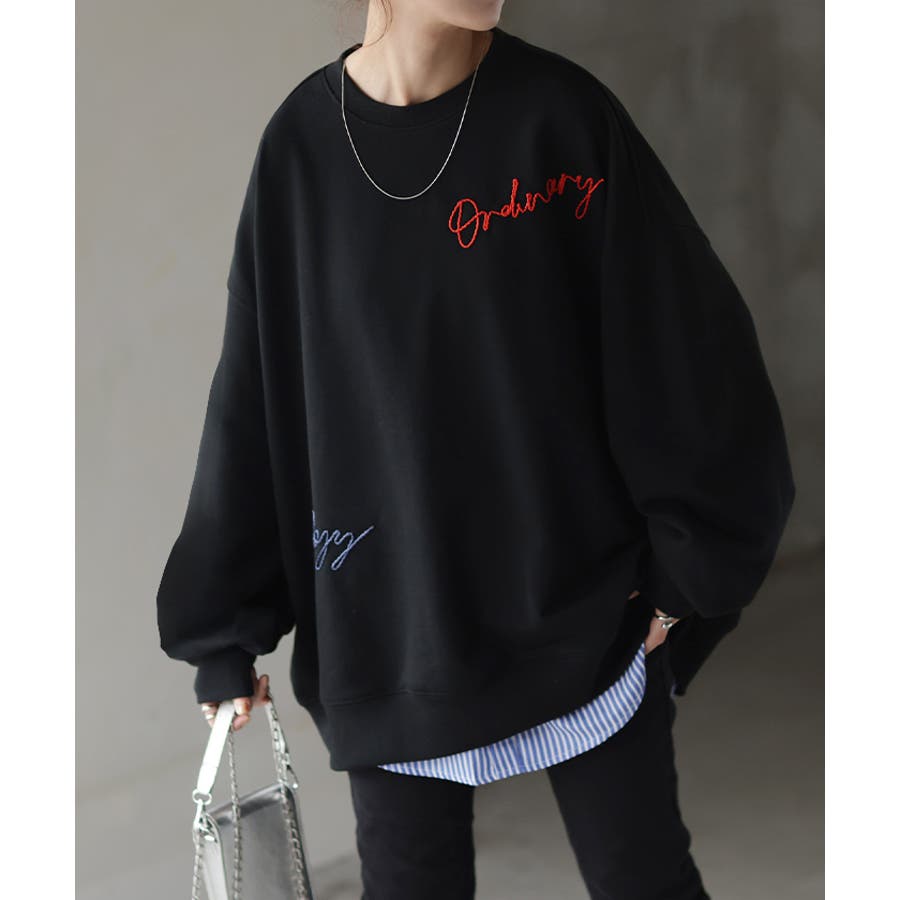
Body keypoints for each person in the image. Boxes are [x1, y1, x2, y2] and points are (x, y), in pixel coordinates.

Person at [156, 4, 795, 898]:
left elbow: (683, 343)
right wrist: (223, 630)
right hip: (391, 636)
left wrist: (685, 574)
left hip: (583, 623)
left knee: (644, 880)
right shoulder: (300, 151)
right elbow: (257, 402)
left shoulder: (562, 119)